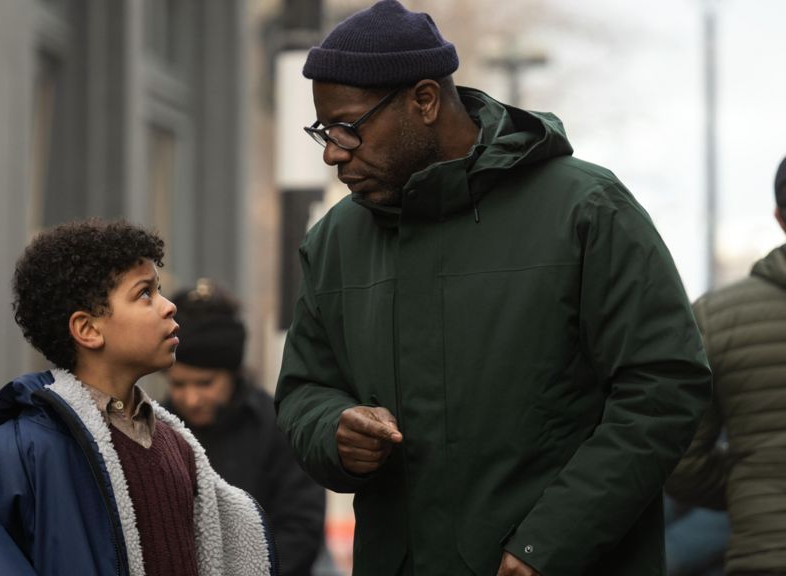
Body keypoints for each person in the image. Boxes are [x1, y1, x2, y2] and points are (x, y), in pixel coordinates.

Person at [273, 2, 712, 575]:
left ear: (425, 101)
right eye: (322, 132)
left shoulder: (586, 210)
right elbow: (305, 387)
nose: (333, 152)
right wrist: (334, 432)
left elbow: (663, 388)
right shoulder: (334, 241)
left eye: (348, 129)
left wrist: (547, 545)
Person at [0, 220, 276, 575]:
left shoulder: (177, 446)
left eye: (160, 289)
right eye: (144, 294)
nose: (168, 306)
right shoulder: (21, 453)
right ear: (88, 329)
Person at [665, 156, 786, 575]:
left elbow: (679, 459)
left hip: (765, 555)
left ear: (779, 217)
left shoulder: (715, 317)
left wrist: (746, 486)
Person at [162, 279, 327, 576]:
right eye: (178, 384)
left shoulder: (278, 427)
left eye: (205, 383)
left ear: (232, 374)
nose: (191, 398)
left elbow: (300, 529)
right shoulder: (157, 428)